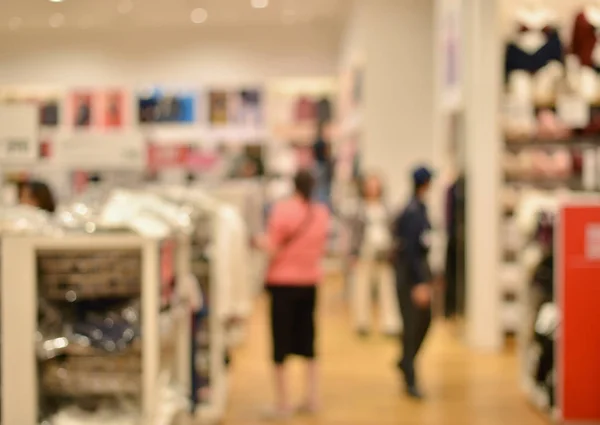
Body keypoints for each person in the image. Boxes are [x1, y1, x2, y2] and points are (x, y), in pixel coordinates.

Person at [253, 170, 330, 419]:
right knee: (308, 339)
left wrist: (256, 242)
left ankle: (283, 402)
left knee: (281, 342)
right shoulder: (321, 213)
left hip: (283, 283)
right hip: (310, 282)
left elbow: (273, 248)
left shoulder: (282, 210)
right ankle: (312, 397)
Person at [392, 165, 434, 399]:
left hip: (417, 275)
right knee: (412, 325)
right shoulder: (412, 212)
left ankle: (406, 361)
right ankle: (409, 373)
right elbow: (410, 251)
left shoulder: (419, 209)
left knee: (423, 321)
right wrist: (419, 282)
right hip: (410, 278)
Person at [349, 173, 401, 337]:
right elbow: (355, 233)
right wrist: (353, 253)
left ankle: (390, 323)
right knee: (361, 288)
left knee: (387, 289)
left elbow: (393, 230)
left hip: (384, 253)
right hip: (365, 252)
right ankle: (362, 323)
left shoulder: (386, 208)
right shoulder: (360, 209)